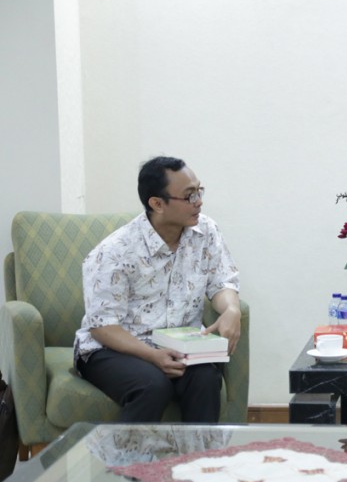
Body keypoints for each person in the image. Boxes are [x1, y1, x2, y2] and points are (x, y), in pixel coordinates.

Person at [74, 156, 241, 424]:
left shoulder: (206, 231)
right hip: (111, 350)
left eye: (199, 191)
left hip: (179, 345)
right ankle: (123, 453)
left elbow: (222, 283)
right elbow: (102, 326)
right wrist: (152, 355)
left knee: (207, 379)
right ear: (157, 204)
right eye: (189, 196)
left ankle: (198, 452)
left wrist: (231, 309)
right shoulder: (115, 252)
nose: (199, 201)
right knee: (152, 386)